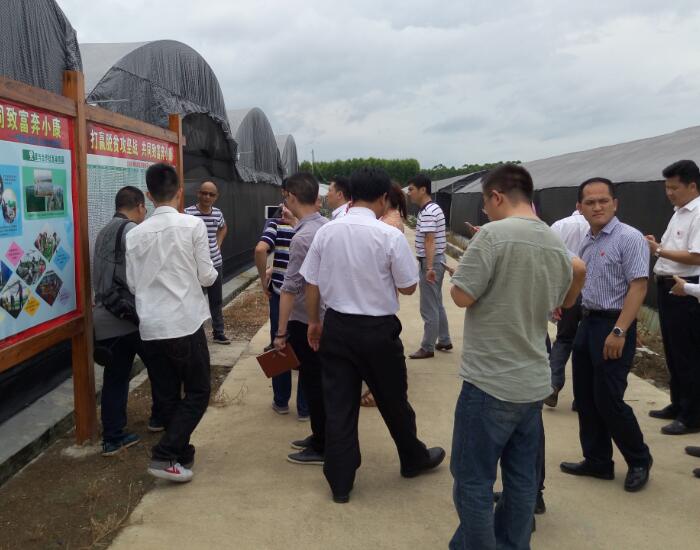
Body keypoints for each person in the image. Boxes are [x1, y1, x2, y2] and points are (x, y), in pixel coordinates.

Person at [449, 164, 585, 550]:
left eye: (485, 202)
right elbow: (574, 281)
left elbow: (462, 296)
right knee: (521, 479)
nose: (485, 211)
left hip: (489, 380)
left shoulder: (493, 235)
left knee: (472, 480)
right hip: (532, 380)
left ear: (496, 196)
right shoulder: (554, 240)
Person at [301, 167, 445, 504]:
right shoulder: (388, 235)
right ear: (383, 198)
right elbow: (408, 287)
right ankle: (412, 458)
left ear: (350, 195)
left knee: (339, 405)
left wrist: (314, 322)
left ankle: (340, 481)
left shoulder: (328, 232)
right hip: (378, 331)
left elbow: (312, 281)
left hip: (337, 326)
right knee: (393, 400)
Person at [126, 163, 218, 483]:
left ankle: (180, 453)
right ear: (180, 192)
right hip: (184, 322)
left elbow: (133, 284)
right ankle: (165, 453)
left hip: (151, 325)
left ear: (149, 196)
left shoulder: (134, 234)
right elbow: (207, 275)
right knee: (198, 391)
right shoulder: (193, 225)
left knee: (165, 394)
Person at [560, 177, 653, 493]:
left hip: (614, 325)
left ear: (615, 203)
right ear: (580, 207)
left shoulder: (630, 238)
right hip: (588, 322)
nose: (597, 207)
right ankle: (597, 461)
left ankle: (639, 459)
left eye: (603, 201)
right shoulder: (588, 240)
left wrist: (620, 330)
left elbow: (638, 287)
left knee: (609, 399)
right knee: (585, 398)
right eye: (590, 202)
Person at [93, 186, 163, 456]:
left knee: (115, 378)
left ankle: (112, 437)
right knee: (160, 367)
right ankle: (160, 418)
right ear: (140, 206)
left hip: (105, 318)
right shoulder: (133, 231)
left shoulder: (103, 232)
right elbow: (148, 273)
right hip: (131, 318)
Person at [273, 172, 328, 465]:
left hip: (306, 321)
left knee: (313, 383)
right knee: (317, 382)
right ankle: (320, 435)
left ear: (291, 197)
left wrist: (280, 333)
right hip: (326, 317)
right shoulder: (326, 227)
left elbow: (290, 287)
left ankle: (322, 444)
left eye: (285, 197)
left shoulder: (301, 238)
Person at [645, 160, 700, 435]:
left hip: (686, 289)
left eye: (674, 188)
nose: (669, 193)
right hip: (668, 287)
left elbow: (696, 256)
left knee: (688, 354)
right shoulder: (679, 212)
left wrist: (658, 250)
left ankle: (692, 416)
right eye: (666, 187)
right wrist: (659, 246)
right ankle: (678, 403)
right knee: (673, 351)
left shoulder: (698, 213)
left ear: (692, 185)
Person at [255, 203, 309, 420]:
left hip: (280, 292)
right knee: (306, 348)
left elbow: (260, 249)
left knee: (280, 344)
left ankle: (281, 401)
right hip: (305, 295)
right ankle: (305, 408)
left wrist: (263, 279)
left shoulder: (276, 224)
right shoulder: (311, 227)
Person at [361, 181, 410, 408]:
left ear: (384, 199)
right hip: (383, 289)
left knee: (380, 348)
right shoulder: (390, 220)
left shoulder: (389, 224)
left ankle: (377, 390)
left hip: (380, 291)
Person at [545, 209, 590, 407]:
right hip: (592, 292)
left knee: (564, 338)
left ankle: (553, 384)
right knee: (586, 343)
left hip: (568, 289)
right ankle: (581, 398)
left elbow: (550, 261)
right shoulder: (601, 227)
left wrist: (555, 296)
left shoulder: (559, 225)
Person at [406, 174, 452, 359]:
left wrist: (429, 267)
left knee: (428, 307)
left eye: (411, 189)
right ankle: (444, 339)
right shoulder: (432, 208)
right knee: (437, 303)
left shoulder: (428, 212)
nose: (409, 193)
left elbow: (430, 241)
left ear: (423, 190)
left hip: (430, 261)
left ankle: (427, 347)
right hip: (437, 260)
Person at [184, 180, 230, 345]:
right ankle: (194, 334)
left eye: (211, 194)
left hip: (215, 263)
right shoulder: (187, 213)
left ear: (216, 197)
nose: (207, 197)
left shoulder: (217, 213)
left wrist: (218, 244)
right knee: (194, 299)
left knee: (216, 300)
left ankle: (218, 332)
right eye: (204, 193)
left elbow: (223, 227)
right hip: (195, 266)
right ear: (198, 193)